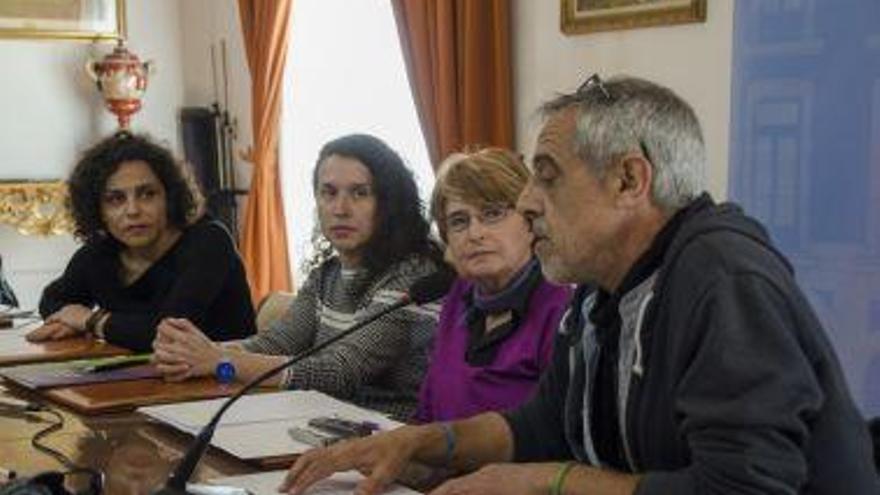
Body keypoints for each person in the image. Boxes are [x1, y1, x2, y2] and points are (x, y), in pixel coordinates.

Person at [279, 76, 880, 495]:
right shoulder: (599, 286)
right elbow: (542, 424)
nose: (525, 202)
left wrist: (545, 481)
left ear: (628, 180)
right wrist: (421, 443)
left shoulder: (723, 280)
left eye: (546, 176)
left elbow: (743, 488)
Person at [152, 134, 447, 420]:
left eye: (360, 193)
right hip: (324, 425)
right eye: (328, 192)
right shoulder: (326, 277)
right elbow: (273, 343)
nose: (340, 209)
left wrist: (220, 360)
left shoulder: (413, 274)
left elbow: (340, 371)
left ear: (390, 204)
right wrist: (191, 353)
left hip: (396, 438)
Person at [27, 132, 255, 352]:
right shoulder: (100, 253)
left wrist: (90, 320)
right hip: (138, 380)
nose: (133, 210)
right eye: (116, 199)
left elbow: (165, 335)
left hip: (224, 383)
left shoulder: (209, 242)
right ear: (98, 210)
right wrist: (69, 321)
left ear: (170, 197)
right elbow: (53, 300)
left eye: (147, 194)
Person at [414, 148, 570, 423]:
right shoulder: (459, 296)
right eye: (459, 221)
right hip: (439, 461)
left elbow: (563, 433)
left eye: (492, 214)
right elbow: (427, 411)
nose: (475, 234)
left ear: (529, 221)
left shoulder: (560, 306)